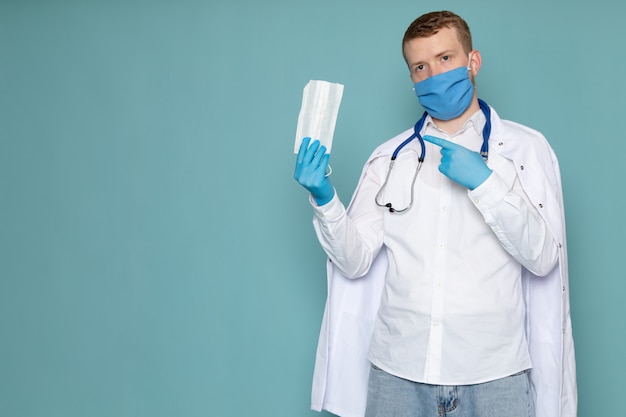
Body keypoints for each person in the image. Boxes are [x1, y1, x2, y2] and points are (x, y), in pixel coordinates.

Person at [294, 10, 576, 417]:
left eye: (445, 59)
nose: (434, 75)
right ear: (411, 78)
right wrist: (324, 199)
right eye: (420, 67)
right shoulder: (391, 158)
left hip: (495, 375)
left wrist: (485, 182)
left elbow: (544, 257)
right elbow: (355, 262)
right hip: (398, 374)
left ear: (472, 62)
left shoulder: (525, 151)